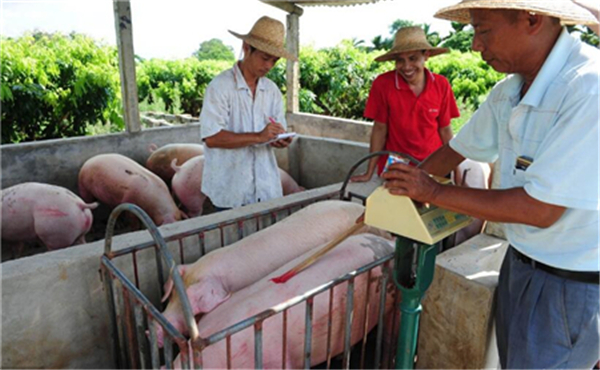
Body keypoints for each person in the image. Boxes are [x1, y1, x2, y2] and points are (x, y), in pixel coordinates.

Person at [382, 0, 599, 368]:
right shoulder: (510, 90)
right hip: (519, 263)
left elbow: (541, 209)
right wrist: (397, 192)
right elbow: (456, 150)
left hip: (570, 282)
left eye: (483, 30)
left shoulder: (587, 88)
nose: (475, 45)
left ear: (531, 19)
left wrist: (432, 192)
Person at [199, 16, 295, 210]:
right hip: (228, 192)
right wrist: (259, 137)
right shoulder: (220, 87)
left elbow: (275, 131)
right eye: (265, 58)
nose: (269, 66)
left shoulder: (272, 91)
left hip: (266, 190)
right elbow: (212, 137)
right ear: (246, 48)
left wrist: (279, 139)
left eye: (274, 61)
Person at [351, 26, 460, 183]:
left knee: (433, 206)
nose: (407, 66)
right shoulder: (383, 84)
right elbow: (380, 129)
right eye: (400, 60)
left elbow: (445, 130)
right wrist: (369, 172)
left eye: (413, 58)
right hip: (397, 166)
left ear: (426, 56)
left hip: (435, 164)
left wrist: (456, 171)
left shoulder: (441, 84)